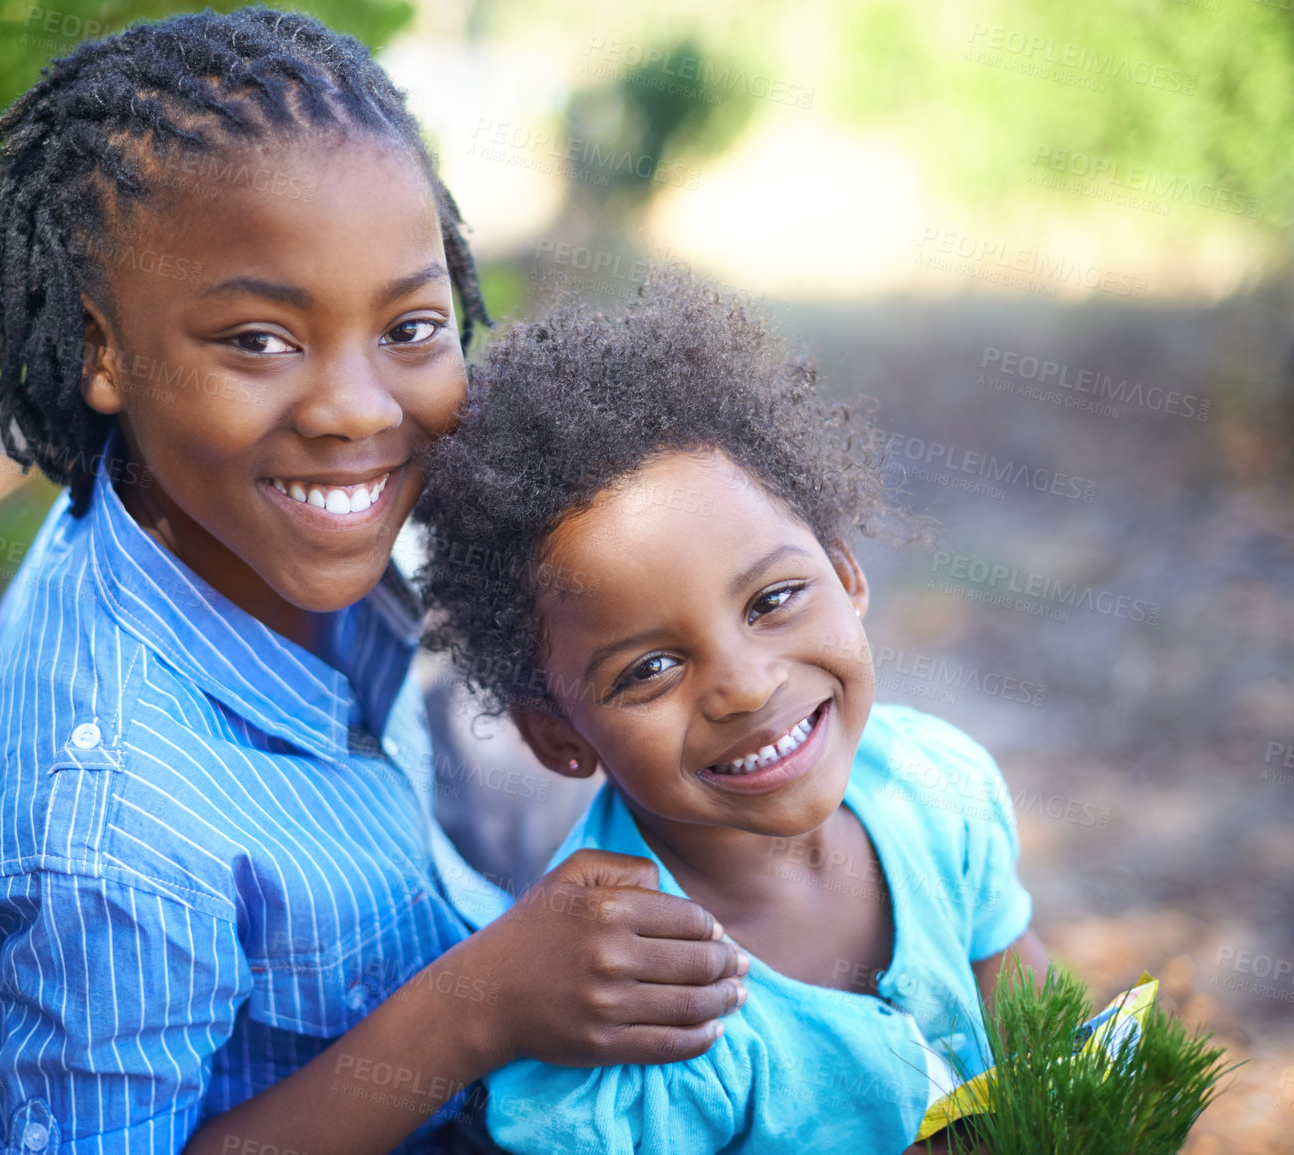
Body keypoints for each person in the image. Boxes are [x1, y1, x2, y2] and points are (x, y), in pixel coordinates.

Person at [0, 14, 748, 1154]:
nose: (360, 409)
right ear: (103, 352)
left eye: (411, 325)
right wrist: (474, 1010)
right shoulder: (109, 832)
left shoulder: (227, 515)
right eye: (260, 340)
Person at [414, 268, 1052, 1154]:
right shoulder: (622, 1006)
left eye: (772, 599)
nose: (746, 686)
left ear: (846, 572)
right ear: (558, 734)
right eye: (651, 667)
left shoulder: (936, 788)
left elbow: (1054, 1074)